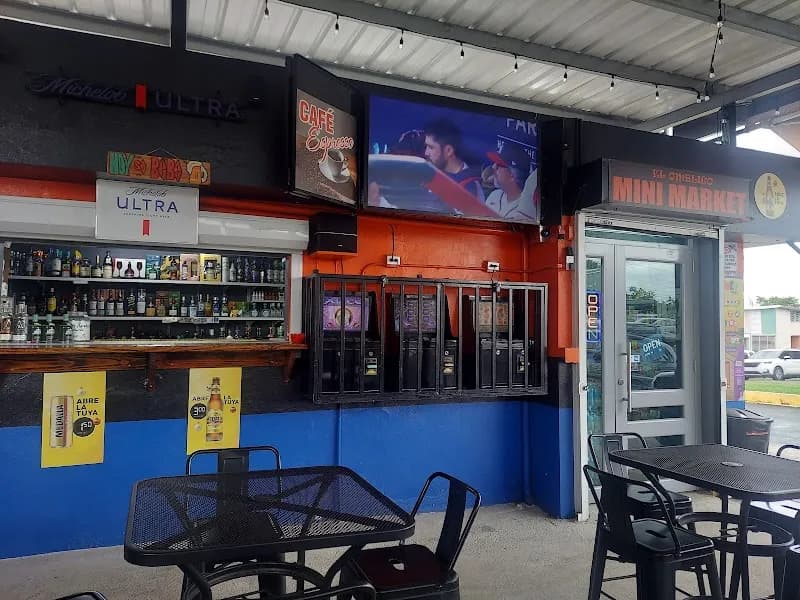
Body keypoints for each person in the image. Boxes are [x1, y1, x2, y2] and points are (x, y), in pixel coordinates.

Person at [423, 119, 484, 200]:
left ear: (449, 151)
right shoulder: (430, 174)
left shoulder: (469, 188)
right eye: (426, 146)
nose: (426, 153)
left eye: (431, 147)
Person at [485, 142, 538, 222]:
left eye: (499, 165)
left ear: (512, 175)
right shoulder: (494, 196)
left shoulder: (527, 207)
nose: (493, 167)